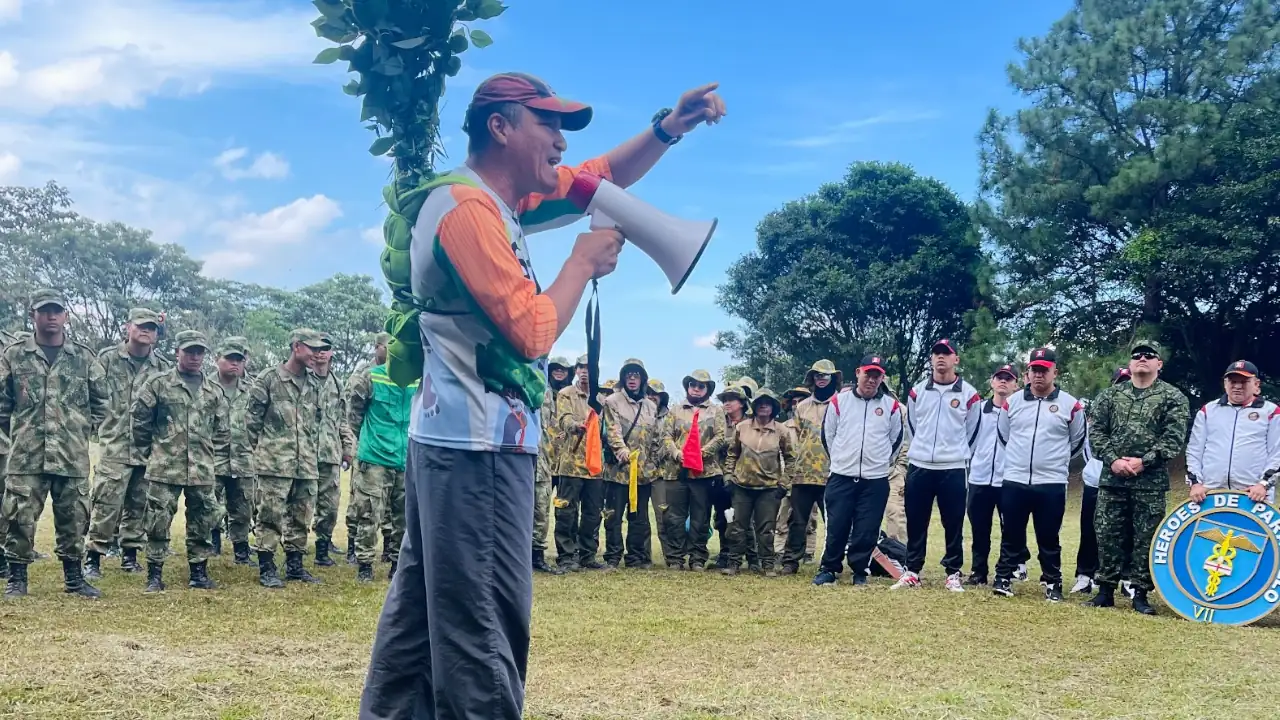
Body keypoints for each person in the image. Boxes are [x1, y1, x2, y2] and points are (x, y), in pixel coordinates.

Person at [359, 72, 725, 719]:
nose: (560, 141)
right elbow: (531, 331)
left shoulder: (497, 202)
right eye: (547, 125)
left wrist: (670, 127)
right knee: (484, 624)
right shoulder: (468, 211)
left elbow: (600, 175)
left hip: (459, 445)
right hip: (477, 453)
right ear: (500, 127)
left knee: (419, 623)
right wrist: (580, 265)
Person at [1, 289, 108, 598]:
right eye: (44, 311)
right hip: (26, 455)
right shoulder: (14, 354)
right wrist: (17, 434)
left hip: (71, 456)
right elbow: (2, 403)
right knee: (19, 517)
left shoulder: (84, 357)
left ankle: (74, 580)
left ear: (65, 316)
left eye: (56, 311)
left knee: (74, 518)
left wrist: (78, 430)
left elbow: (102, 402)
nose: (51, 316)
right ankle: (17, 580)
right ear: (32, 314)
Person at [1085, 340, 1189, 615]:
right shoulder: (1108, 397)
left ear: (1159, 364)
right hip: (1113, 479)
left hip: (1150, 482)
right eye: (1137, 356)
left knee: (1146, 537)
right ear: (1130, 364)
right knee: (1108, 534)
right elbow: (1096, 434)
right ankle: (1105, 590)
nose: (1142, 358)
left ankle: (1140, 593)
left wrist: (1145, 461)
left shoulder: (1173, 397)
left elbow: (1174, 438)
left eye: (1149, 355)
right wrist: (1114, 460)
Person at [132, 331, 229, 593]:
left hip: (201, 468)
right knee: (157, 521)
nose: (195, 357)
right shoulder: (158, 384)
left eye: (199, 352)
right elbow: (140, 421)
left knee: (203, 519)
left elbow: (222, 429)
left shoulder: (213, 391)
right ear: (178, 352)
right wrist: (152, 451)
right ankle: (154, 574)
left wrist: (209, 455)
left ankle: (199, 572)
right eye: (189, 352)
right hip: (165, 467)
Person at [991, 348, 1086, 602]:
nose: (1039, 375)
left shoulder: (1071, 405)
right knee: (1011, 532)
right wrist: (1018, 463)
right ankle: (1003, 577)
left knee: (1048, 535)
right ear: (1027, 373)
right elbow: (1003, 436)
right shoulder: (1012, 402)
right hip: (1015, 479)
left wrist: (1056, 462)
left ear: (1055, 372)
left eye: (1044, 370)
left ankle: (1052, 581)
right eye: (1035, 370)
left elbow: (1076, 442)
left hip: (1051, 482)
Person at [85, 307, 170, 579]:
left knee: (139, 503)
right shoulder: (107, 359)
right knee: (106, 503)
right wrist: (101, 426)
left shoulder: (163, 368)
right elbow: (92, 396)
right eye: (141, 325)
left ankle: (130, 555)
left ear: (157, 334)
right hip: (115, 444)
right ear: (127, 327)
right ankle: (93, 558)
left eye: (152, 327)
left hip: (148, 449)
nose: (146, 331)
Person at [244, 328, 329, 588]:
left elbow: (316, 422)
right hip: (275, 463)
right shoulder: (269, 378)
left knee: (302, 515)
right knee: (270, 514)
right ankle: (267, 567)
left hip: (306, 463)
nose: (316, 353)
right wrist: (266, 451)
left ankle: (295, 565)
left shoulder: (315, 384)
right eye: (311, 348)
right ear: (296, 347)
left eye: (318, 349)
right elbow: (251, 421)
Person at [896, 338, 982, 592]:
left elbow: (973, 433)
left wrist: (956, 454)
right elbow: (912, 427)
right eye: (936, 354)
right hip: (920, 465)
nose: (941, 358)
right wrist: (922, 450)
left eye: (946, 354)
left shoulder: (969, 394)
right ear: (931, 359)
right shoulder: (917, 392)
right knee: (916, 519)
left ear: (956, 359)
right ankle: (912, 570)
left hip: (953, 467)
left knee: (953, 521)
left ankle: (953, 572)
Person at [812, 355, 904, 586]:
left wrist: (878, 463)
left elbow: (896, 441)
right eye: (868, 374)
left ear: (882, 378)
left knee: (867, 528)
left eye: (877, 376)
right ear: (858, 373)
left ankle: (860, 570)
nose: (871, 380)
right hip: (842, 476)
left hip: (875, 479)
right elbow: (828, 436)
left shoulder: (890, 406)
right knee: (837, 525)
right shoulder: (839, 402)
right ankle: (829, 569)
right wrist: (843, 461)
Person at [347, 348, 417, 583]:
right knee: (369, 513)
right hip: (375, 457)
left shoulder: (419, 379)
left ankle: (398, 564)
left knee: (404, 516)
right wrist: (368, 440)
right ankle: (365, 564)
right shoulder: (371, 376)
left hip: (407, 457)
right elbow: (354, 415)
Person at [723, 389, 796, 577]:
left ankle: (768, 565)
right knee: (737, 526)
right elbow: (732, 454)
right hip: (741, 486)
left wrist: (784, 484)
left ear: (773, 408)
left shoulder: (781, 430)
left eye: (768, 403)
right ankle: (734, 563)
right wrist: (728, 477)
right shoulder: (742, 427)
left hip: (770, 488)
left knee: (766, 528)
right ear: (754, 406)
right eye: (760, 403)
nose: (764, 406)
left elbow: (790, 459)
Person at [661, 369, 728, 572]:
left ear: (707, 389)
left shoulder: (716, 411)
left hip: (703, 473)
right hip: (677, 471)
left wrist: (701, 453)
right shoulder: (675, 410)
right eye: (693, 385)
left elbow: (720, 437)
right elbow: (666, 436)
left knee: (701, 517)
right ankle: (675, 557)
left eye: (701, 386)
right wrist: (676, 453)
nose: (696, 389)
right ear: (687, 387)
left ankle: (698, 557)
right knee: (675, 517)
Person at [1186, 360, 1280, 505]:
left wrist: (1263, 484)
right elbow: (1194, 450)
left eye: (1244, 381)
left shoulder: (1271, 412)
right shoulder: (1208, 411)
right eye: (1232, 381)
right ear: (1225, 384)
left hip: (1253, 494)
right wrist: (1196, 484)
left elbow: (1277, 452)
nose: (1237, 386)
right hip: (1210, 493)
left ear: (1256, 385)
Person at [1072, 366, 1130, 595]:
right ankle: (1085, 575)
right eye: (1120, 382)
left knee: (1127, 531)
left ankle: (1127, 579)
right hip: (1097, 480)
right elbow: (1088, 447)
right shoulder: (1099, 411)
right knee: (1090, 530)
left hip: (1128, 481)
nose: (1124, 386)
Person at [780, 360, 841, 574]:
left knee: (834, 522)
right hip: (802, 474)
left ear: (833, 378)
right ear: (813, 379)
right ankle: (790, 561)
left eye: (826, 375)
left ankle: (832, 563)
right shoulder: (802, 406)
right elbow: (794, 438)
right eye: (817, 375)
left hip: (833, 474)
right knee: (797, 521)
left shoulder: (841, 404)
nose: (822, 379)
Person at [965, 364, 1020, 587]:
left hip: (1007, 479)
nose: (1003, 382)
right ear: (992, 382)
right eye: (999, 378)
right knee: (979, 529)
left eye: (1009, 378)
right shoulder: (977, 409)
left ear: (1017, 384)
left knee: (1010, 529)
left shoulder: (1018, 410)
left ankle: (1005, 572)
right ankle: (978, 572)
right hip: (979, 478)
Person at [602, 359, 660, 569]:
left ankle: (635, 557)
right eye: (628, 375)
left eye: (636, 375)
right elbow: (612, 430)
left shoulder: (651, 406)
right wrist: (622, 450)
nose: (632, 378)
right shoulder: (613, 401)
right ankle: (613, 557)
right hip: (618, 470)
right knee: (613, 516)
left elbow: (656, 439)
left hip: (642, 473)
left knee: (639, 518)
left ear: (643, 379)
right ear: (623, 378)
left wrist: (652, 464)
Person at [553, 356, 606, 572]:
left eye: (588, 367)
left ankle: (588, 555)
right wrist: (576, 426)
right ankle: (567, 555)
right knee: (567, 511)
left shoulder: (602, 398)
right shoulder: (566, 394)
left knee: (593, 513)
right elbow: (563, 419)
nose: (585, 371)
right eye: (581, 368)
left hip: (594, 466)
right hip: (571, 464)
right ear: (575, 371)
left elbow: (609, 427)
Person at [345, 332, 390, 565]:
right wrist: (362, 441)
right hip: (369, 449)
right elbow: (353, 416)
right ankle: (354, 549)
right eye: (388, 346)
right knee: (363, 504)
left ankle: (389, 550)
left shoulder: (405, 375)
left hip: (395, 452)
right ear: (377, 348)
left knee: (392, 508)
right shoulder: (365, 375)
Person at [311, 333, 355, 568]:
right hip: (303, 453)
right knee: (298, 506)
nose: (320, 352)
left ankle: (323, 548)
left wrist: (348, 450)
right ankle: (292, 551)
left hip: (329, 453)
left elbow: (342, 421)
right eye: (316, 348)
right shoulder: (303, 380)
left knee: (329, 505)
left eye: (325, 348)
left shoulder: (337, 384)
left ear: (331, 352)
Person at [211, 337, 255, 565]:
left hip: (243, 457)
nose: (234, 364)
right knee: (209, 504)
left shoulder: (251, 390)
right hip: (212, 457)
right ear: (217, 360)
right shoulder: (205, 387)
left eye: (239, 360)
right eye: (229, 359)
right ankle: (211, 542)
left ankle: (241, 550)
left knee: (243, 507)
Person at [534, 356, 572, 574]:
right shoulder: (537, 387)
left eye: (563, 369)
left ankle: (537, 556)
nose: (559, 372)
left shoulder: (563, 396)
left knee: (542, 508)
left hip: (550, 460)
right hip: (528, 456)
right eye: (555, 368)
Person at [714, 384, 754, 570]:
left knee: (744, 520)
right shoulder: (718, 422)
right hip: (722, 478)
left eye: (731, 399)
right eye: (724, 400)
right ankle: (725, 553)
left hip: (745, 479)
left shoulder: (752, 423)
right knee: (723, 518)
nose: (726, 403)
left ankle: (752, 557)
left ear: (742, 403)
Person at [776, 386, 817, 561]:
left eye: (800, 401)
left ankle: (808, 551)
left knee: (810, 518)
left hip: (810, 476)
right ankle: (779, 550)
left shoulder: (814, 426)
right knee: (782, 516)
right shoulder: (783, 427)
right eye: (793, 402)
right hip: (787, 476)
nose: (796, 405)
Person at [644, 379, 676, 564]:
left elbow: (670, 441)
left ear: (662, 397)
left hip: (662, 474)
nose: (651, 397)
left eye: (655, 394)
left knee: (664, 516)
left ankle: (671, 556)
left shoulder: (670, 417)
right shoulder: (637, 413)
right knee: (639, 518)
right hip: (639, 472)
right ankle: (642, 556)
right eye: (648, 393)